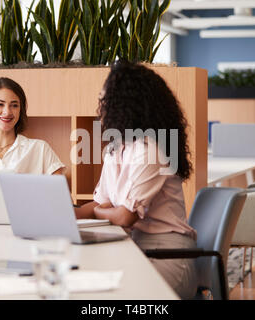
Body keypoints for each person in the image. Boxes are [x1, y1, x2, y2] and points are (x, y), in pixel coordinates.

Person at [75, 60, 198, 299]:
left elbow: (124, 216)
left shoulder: (149, 150)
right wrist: (70, 213)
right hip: (136, 249)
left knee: (106, 295)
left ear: (125, 105)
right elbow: (102, 203)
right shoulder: (116, 148)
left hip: (168, 257)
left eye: (104, 101)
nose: (99, 108)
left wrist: (100, 212)